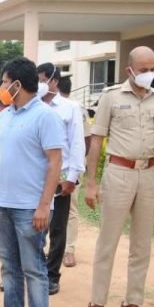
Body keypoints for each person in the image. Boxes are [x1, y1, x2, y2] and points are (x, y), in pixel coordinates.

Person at [0, 57, 64, 307]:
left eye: (3, 82)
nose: (0, 87)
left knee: (34, 269)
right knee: (9, 267)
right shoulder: (5, 116)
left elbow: (55, 163)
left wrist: (44, 205)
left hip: (31, 208)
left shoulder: (45, 117)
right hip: (6, 204)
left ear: (17, 84)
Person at [84, 46, 154, 307]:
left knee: (142, 243)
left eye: (153, 69)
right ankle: (97, 302)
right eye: (144, 70)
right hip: (119, 172)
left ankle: (132, 303)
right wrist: (91, 182)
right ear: (129, 70)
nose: (150, 74)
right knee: (108, 240)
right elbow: (97, 140)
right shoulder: (111, 97)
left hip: (149, 173)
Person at [36, 64, 85, 295]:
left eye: (42, 80)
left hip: (61, 176)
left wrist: (72, 177)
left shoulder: (69, 108)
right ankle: (33, 272)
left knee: (57, 229)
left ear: (54, 81)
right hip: (35, 177)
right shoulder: (33, 106)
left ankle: (52, 276)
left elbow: (77, 143)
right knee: (33, 228)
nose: (39, 84)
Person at [58, 75, 91, 268]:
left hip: (70, 168)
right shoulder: (46, 106)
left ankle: (69, 250)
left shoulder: (76, 108)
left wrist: (74, 167)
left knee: (70, 208)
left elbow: (86, 140)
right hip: (52, 167)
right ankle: (52, 248)